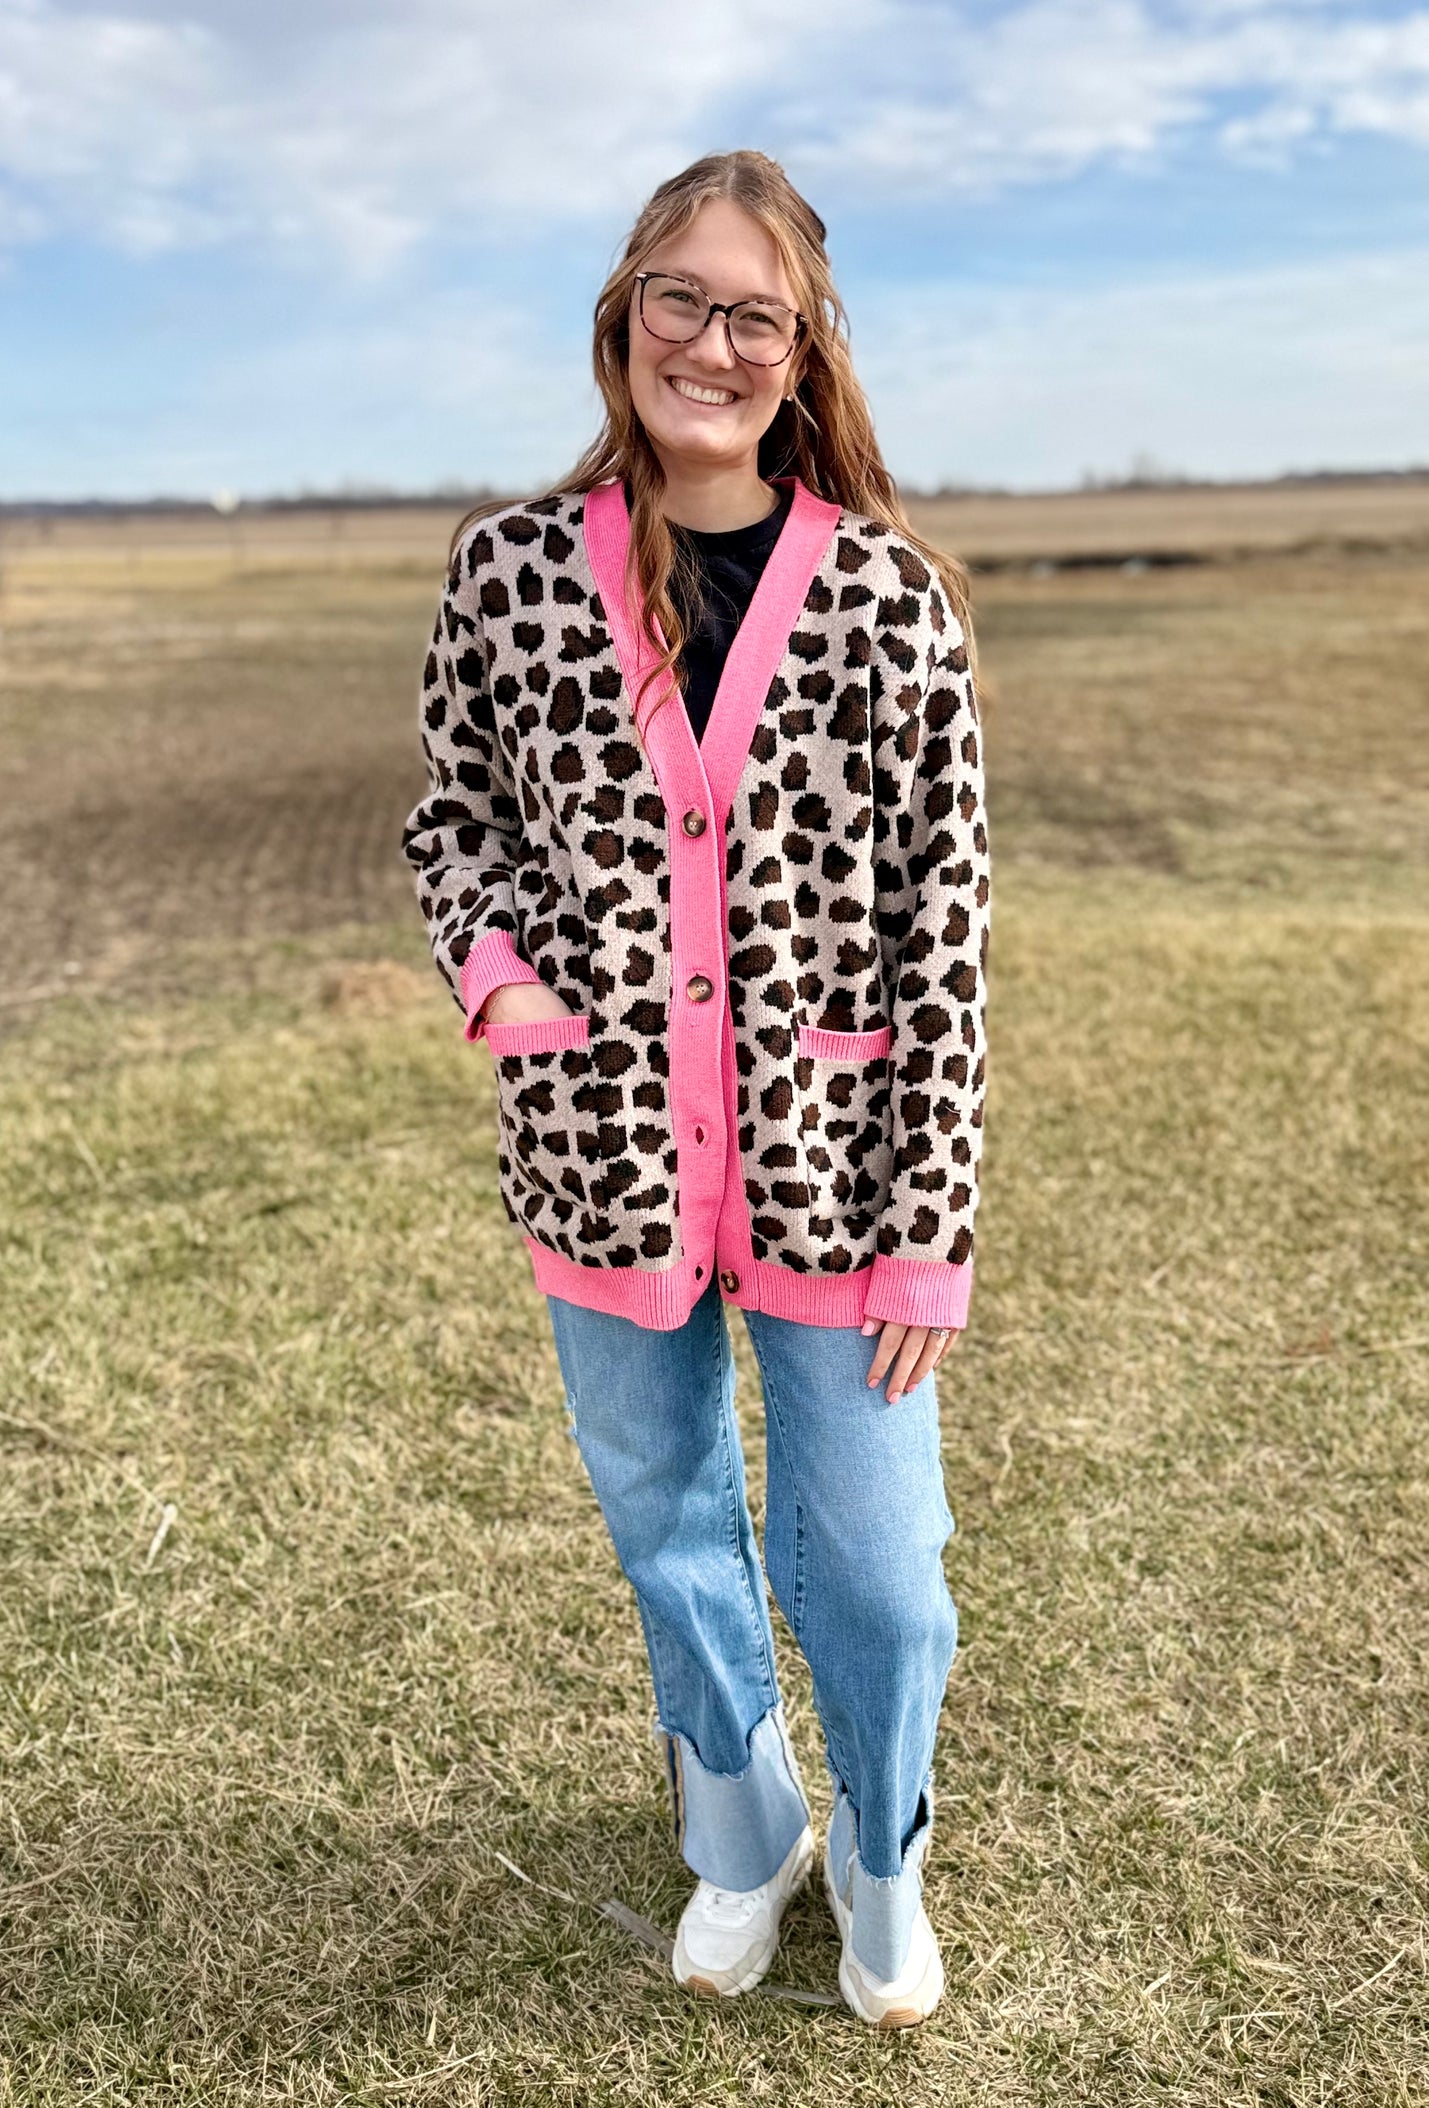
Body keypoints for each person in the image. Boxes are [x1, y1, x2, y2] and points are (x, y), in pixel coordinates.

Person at [401, 149, 989, 2030]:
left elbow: (944, 924)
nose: (710, 344)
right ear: (621, 316)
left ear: (800, 351)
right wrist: (503, 984)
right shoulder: (507, 571)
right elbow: (452, 819)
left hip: (839, 1162)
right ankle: (742, 1831)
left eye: (753, 314)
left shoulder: (892, 603)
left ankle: (882, 1849)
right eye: (679, 300)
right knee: (663, 1521)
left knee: (882, 1573)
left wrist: (930, 1235)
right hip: (599, 1152)